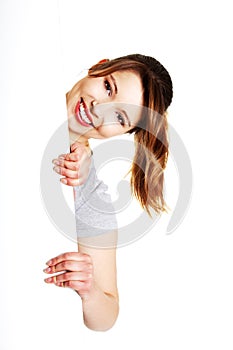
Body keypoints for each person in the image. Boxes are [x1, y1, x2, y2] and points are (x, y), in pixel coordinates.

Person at [43, 54, 173, 331]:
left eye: (119, 116)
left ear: (123, 133)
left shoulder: (88, 193)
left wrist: (88, 289)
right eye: (108, 87)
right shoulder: (25, 74)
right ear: (99, 65)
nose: (98, 109)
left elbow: (107, 314)